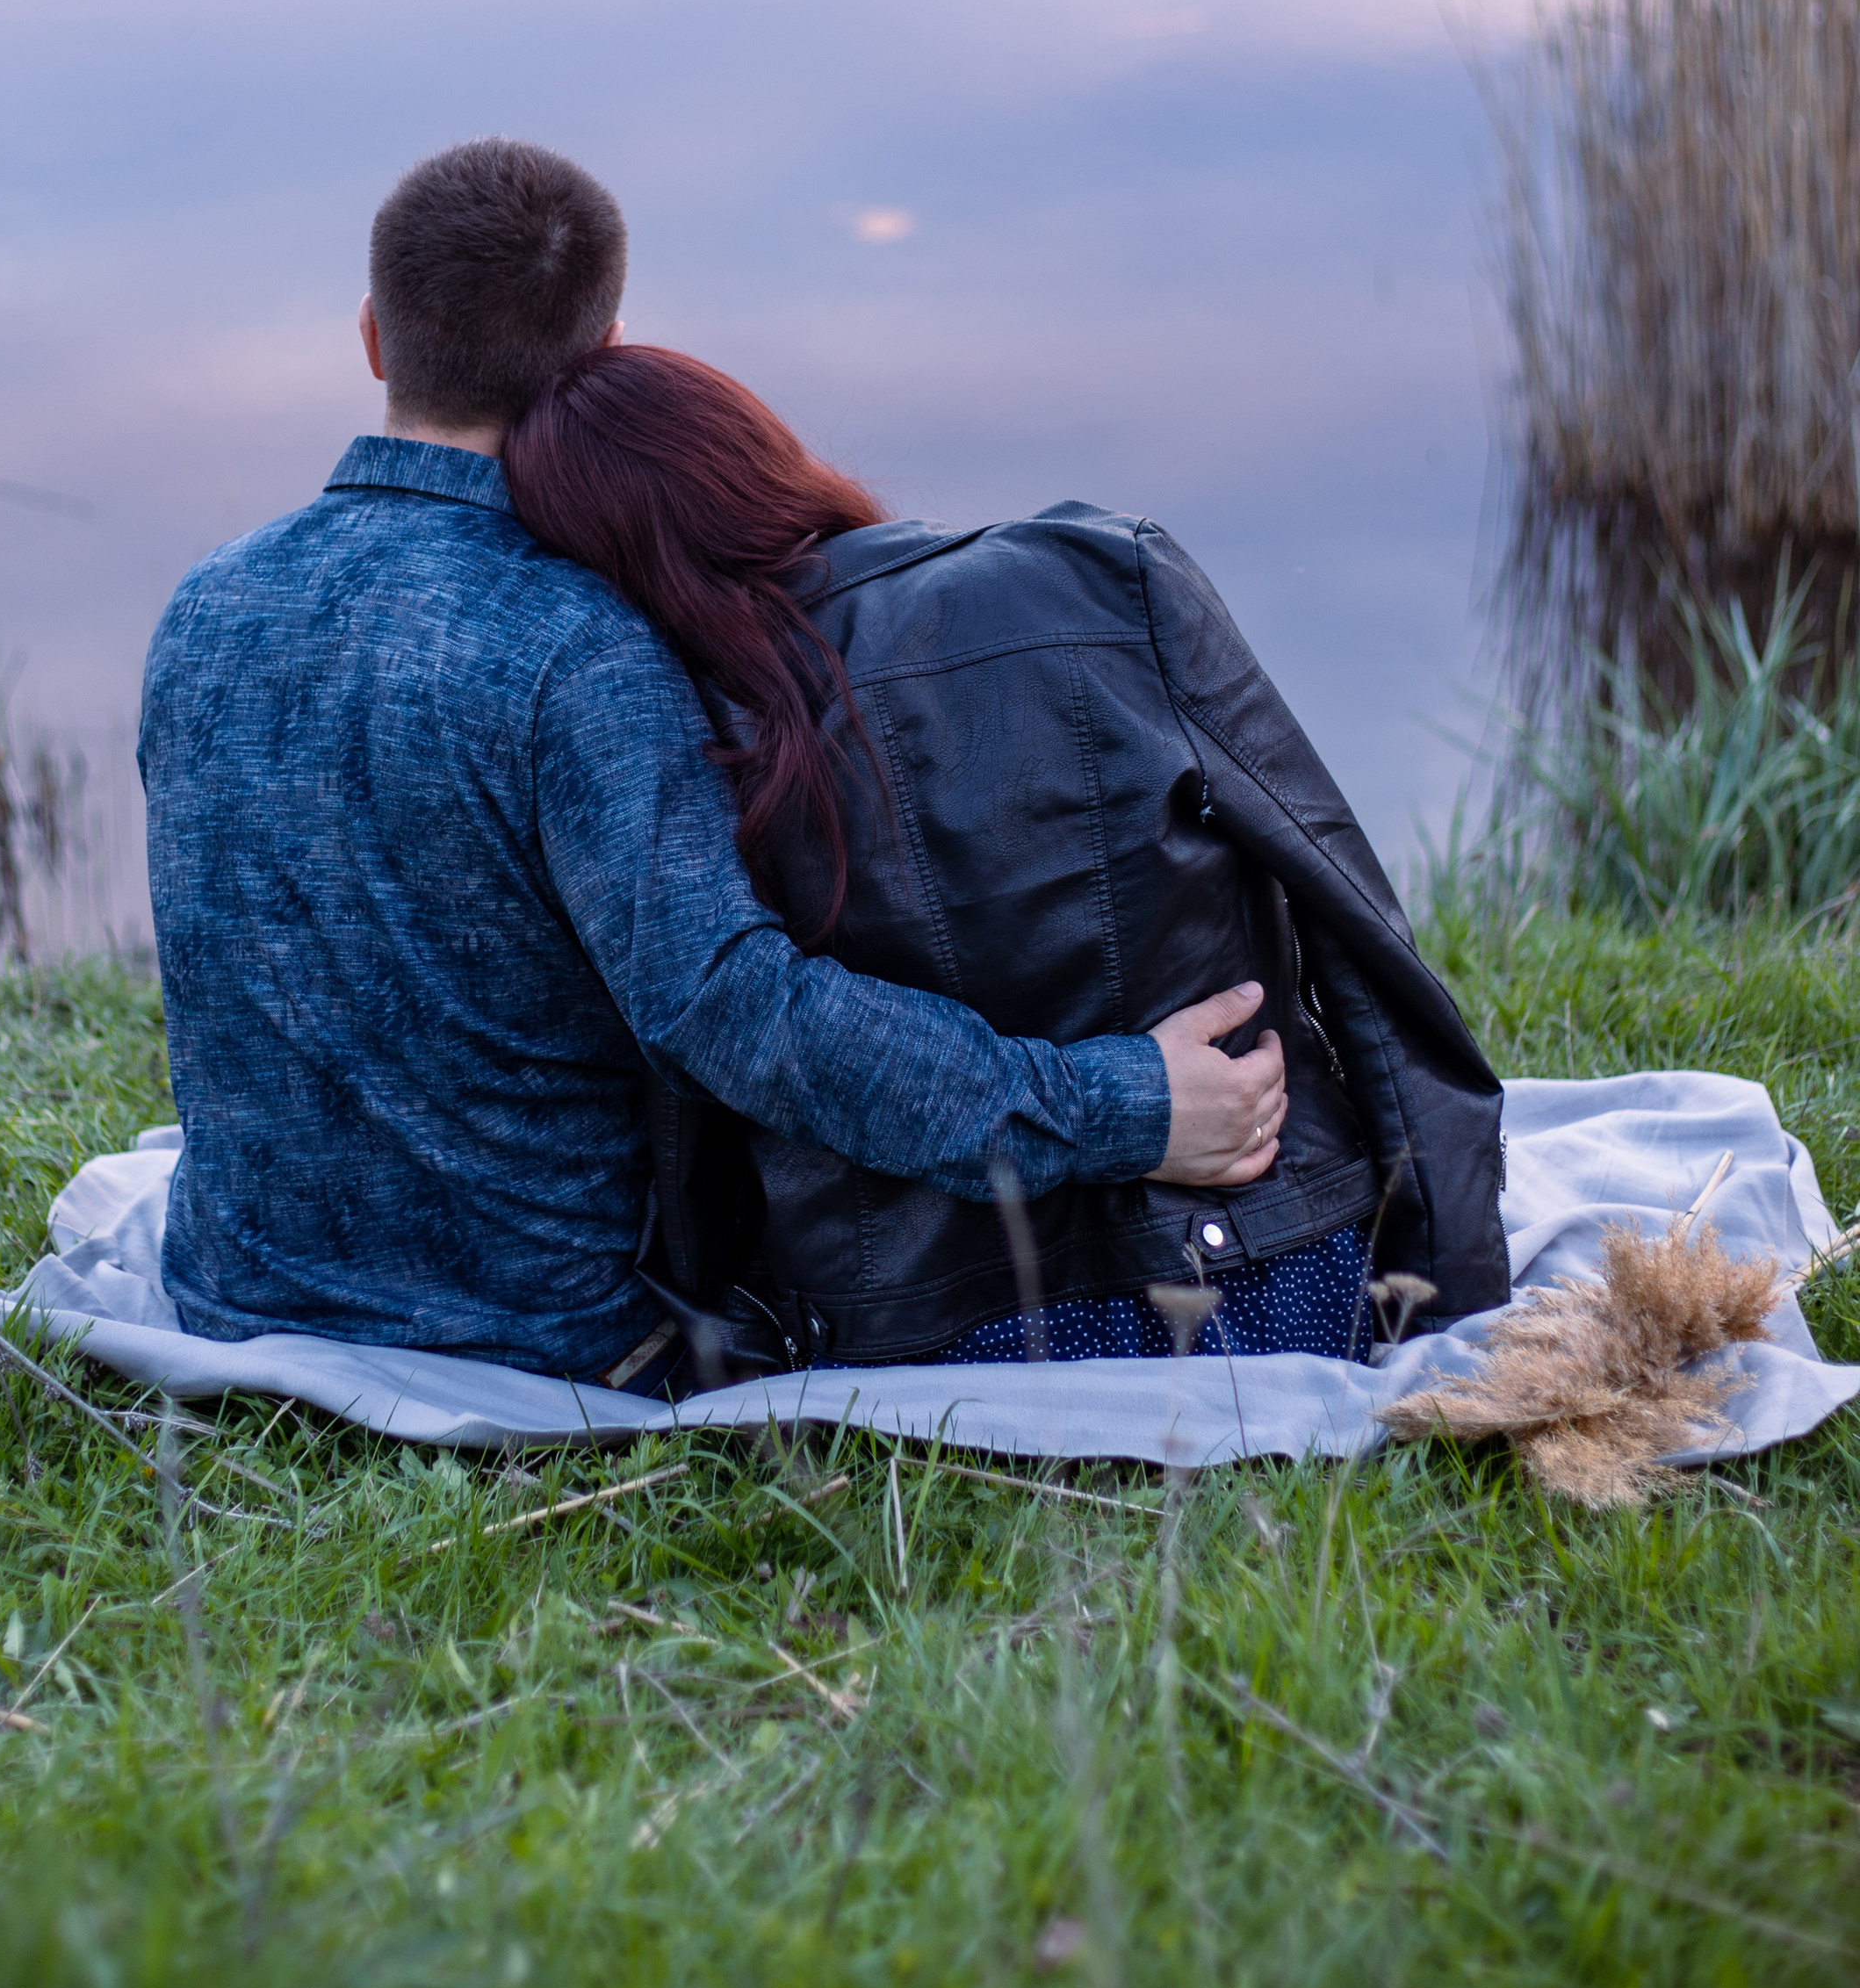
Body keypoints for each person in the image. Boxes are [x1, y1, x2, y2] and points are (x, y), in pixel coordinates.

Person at [139, 137, 1289, 1386]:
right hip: (544, 1341)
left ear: (373, 336)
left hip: (233, 1295)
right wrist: (1121, 1108)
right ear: (607, 353)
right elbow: (733, 1015)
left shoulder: (202, 606)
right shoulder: (578, 644)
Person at [502, 341, 1510, 1371]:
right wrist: (1453, 1306)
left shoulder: (683, 742)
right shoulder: (1111, 576)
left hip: (941, 1347)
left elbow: (712, 1088)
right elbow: (1359, 939)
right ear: (761, 454)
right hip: (1269, 1276)